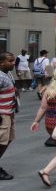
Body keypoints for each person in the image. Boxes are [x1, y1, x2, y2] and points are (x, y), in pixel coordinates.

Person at [0, 52, 19, 180]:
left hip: (9, 113)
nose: (13, 63)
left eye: (13, 61)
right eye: (10, 61)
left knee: (8, 139)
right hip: (2, 114)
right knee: (2, 140)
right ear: (1, 63)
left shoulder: (7, 74)